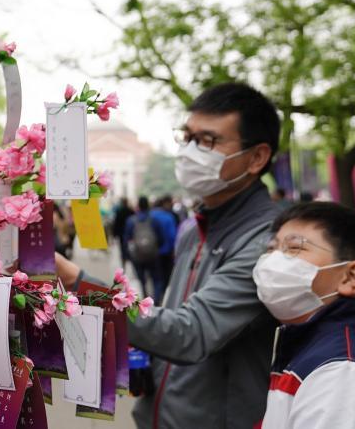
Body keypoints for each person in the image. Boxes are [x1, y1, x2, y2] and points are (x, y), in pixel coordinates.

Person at [57, 82, 282, 429]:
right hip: (159, 415)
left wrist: (78, 283)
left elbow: (191, 332)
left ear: (257, 157)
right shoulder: (194, 229)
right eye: (187, 137)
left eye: (208, 141)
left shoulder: (267, 241)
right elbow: (169, 316)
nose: (191, 152)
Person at [256, 202, 355, 427]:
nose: (271, 261)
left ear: (350, 278)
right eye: (271, 249)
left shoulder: (342, 375)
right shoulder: (308, 352)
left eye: (294, 247)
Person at [124, 196, 161, 298]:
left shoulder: (131, 220)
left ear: (138, 206)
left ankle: (145, 297)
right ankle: (156, 299)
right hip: (152, 254)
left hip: (137, 255)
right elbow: (160, 236)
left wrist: (127, 255)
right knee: (156, 279)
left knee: (141, 279)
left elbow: (126, 239)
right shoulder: (154, 219)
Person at [149, 196, 178, 304]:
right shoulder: (168, 216)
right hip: (165, 252)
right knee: (165, 277)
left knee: (155, 277)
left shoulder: (150, 215)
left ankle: (155, 296)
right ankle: (162, 297)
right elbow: (172, 236)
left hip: (151, 252)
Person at [111, 197, 134, 273]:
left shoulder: (119, 211)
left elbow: (116, 223)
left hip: (121, 234)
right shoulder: (131, 211)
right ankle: (131, 265)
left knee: (122, 250)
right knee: (131, 249)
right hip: (130, 234)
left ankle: (124, 265)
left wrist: (114, 234)